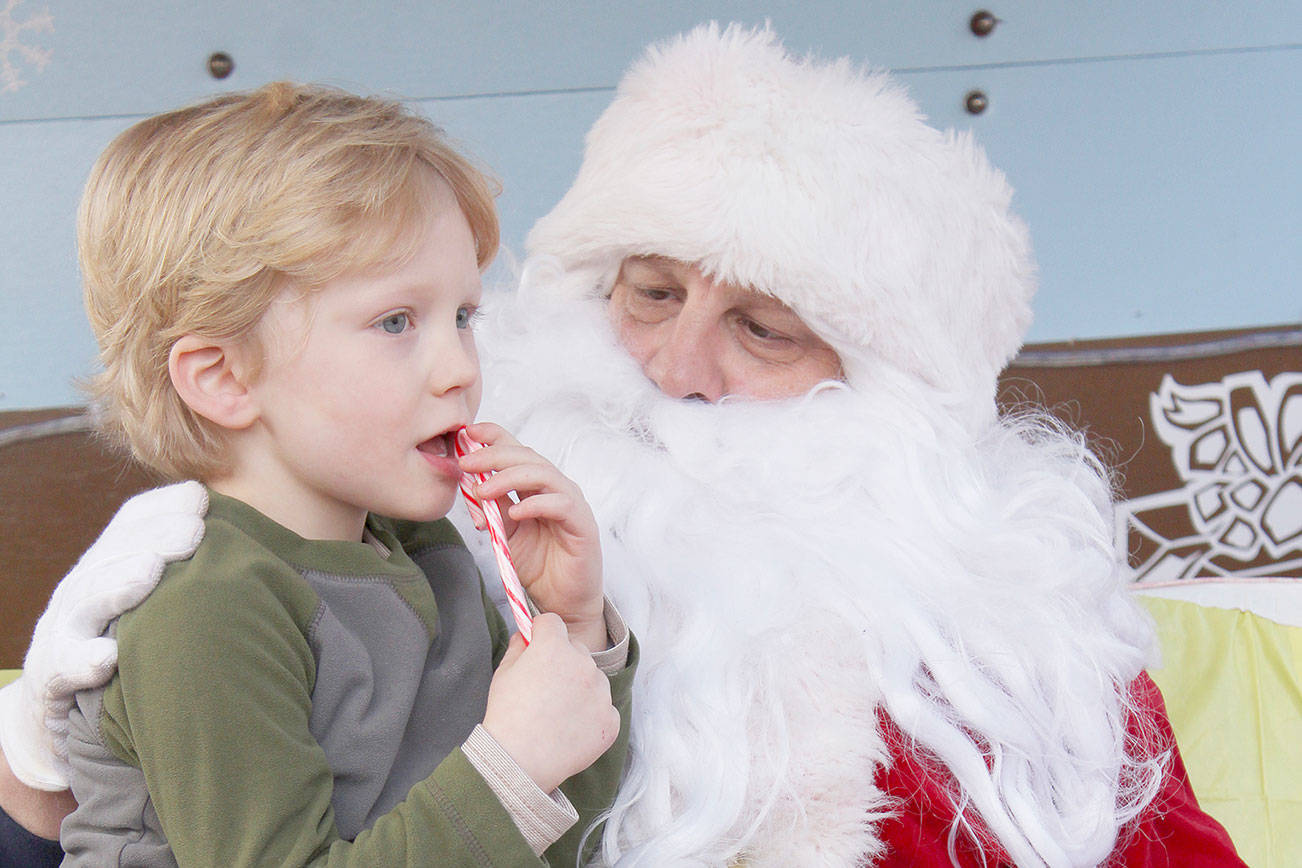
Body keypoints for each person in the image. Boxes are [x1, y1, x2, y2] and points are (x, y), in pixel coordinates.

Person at [2, 24, 1241, 867]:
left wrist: (583, 642)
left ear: (889, 394)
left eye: (761, 328)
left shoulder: (1002, 644)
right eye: (648, 292)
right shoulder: (328, 553)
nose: (674, 371)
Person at [2, 81, 636, 866]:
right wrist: (509, 768)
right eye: (396, 322)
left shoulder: (426, 553)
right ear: (226, 378)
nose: (459, 368)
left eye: (464, 317)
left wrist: (572, 629)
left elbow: (547, 842)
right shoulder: (206, 610)